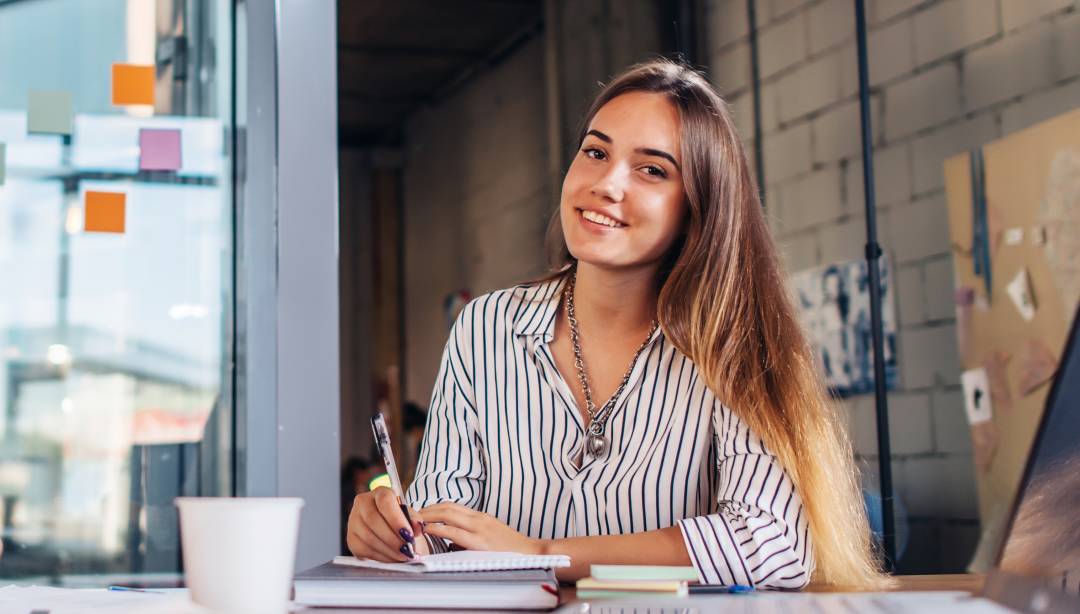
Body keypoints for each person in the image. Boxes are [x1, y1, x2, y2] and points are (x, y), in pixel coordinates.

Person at [345, 58, 887, 589]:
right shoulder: (484, 328)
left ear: (699, 206)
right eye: (595, 152)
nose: (607, 183)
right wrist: (395, 534)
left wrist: (544, 555)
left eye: (651, 169)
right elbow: (446, 527)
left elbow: (771, 543)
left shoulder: (733, 342)